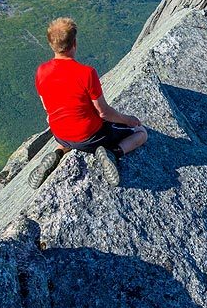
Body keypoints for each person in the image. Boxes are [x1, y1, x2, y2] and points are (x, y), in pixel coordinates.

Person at [28, 17, 148, 189]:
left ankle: (59, 151)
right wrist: (128, 120)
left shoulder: (41, 71)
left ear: (51, 44)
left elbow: (46, 106)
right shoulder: (86, 73)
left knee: (69, 135)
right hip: (90, 137)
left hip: (60, 133)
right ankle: (112, 153)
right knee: (141, 133)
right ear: (74, 43)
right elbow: (104, 112)